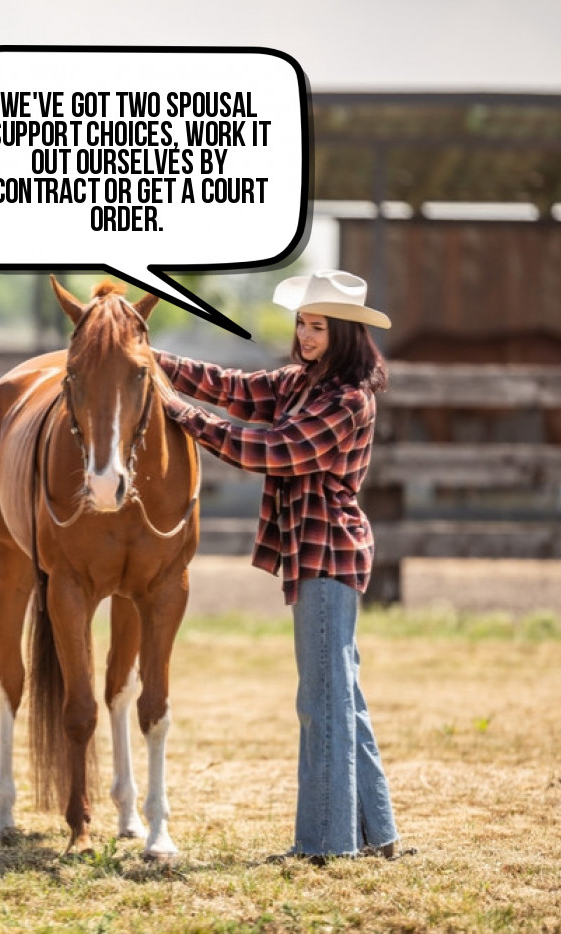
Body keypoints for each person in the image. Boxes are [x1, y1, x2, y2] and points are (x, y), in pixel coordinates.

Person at [157, 269, 409, 865]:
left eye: (318, 326)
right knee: (342, 696)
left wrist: (184, 417)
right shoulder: (301, 384)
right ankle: (378, 836)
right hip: (317, 554)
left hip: (327, 554)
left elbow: (277, 452)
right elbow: (231, 386)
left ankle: (324, 846)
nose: (306, 334)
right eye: (302, 323)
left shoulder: (346, 400)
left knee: (321, 701)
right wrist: (150, 356)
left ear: (344, 333)